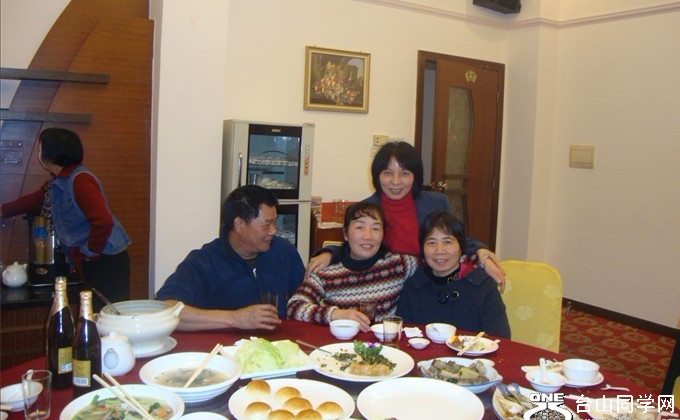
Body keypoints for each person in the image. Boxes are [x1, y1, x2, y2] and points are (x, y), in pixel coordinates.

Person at [307, 141, 506, 287]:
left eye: (404, 173)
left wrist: (481, 252)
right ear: (377, 175)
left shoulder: (436, 202)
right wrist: (329, 253)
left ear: (415, 176)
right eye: (387, 173)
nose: (395, 181)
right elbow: (357, 244)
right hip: (386, 289)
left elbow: (454, 240)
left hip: (430, 284)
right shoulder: (367, 208)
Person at [0, 128, 131, 303]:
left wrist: (91, 252)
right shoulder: (59, 181)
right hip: (95, 260)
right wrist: (3, 210)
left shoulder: (80, 180)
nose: (38, 154)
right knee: (92, 313)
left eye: (40, 149)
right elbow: (36, 200)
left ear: (51, 153)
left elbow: (103, 221)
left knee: (109, 314)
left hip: (107, 260)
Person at [156, 185, 304, 331]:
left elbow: (305, 298)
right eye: (267, 224)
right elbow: (165, 309)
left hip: (281, 343)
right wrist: (234, 319)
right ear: (239, 224)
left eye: (275, 222)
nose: (273, 231)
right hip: (224, 345)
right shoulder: (205, 261)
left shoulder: (283, 251)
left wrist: (321, 258)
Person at [287, 202, 419, 331]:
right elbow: (293, 307)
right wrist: (337, 315)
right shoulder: (327, 273)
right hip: (342, 343)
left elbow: (428, 264)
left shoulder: (397, 265)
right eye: (359, 227)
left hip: (385, 343)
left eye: (375, 228)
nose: (368, 236)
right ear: (345, 233)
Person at [396, 212, 510, 338]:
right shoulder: (413, 286)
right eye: (432, 243)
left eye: (447, 242)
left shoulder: (483, 286)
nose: (439, 250)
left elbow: (501, 339)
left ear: (461, 248)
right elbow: (403, 336)